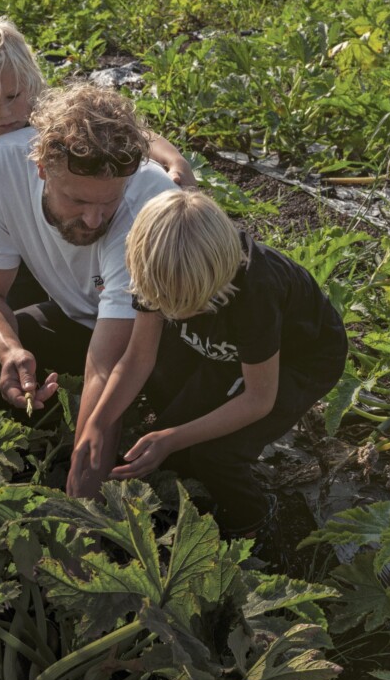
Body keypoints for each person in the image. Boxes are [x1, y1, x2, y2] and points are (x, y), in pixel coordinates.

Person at [68, 190, 348, 568]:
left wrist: (170, 439)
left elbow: (258, 399)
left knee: (216, 454)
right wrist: (97, 424)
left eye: (189, 308)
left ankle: (254, 523)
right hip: (225, 351)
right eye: (167, 307)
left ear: (221, 278)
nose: (175, 314)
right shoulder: (158, 269)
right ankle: (191, 490)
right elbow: (137, 358)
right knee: (175, 438)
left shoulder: (257, 292)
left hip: (298, 361)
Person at [0, 83, 181, 498]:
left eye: (108, 203)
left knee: (193, 459)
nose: (94, 220)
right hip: (83, 319)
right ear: (42, 167)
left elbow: (109, 367)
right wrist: (8, 349)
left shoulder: (149, 207)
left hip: (164, 336)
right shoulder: (1, 165)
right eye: (78, 201)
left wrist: (79, 513)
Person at [0, 15, 195, 307]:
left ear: (30, 82)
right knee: (12, 298)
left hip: (65, 230)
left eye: (12, 96)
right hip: (14, 234)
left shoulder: (50, 115)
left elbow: (119, 131)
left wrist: (172, 158)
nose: (4, 113)